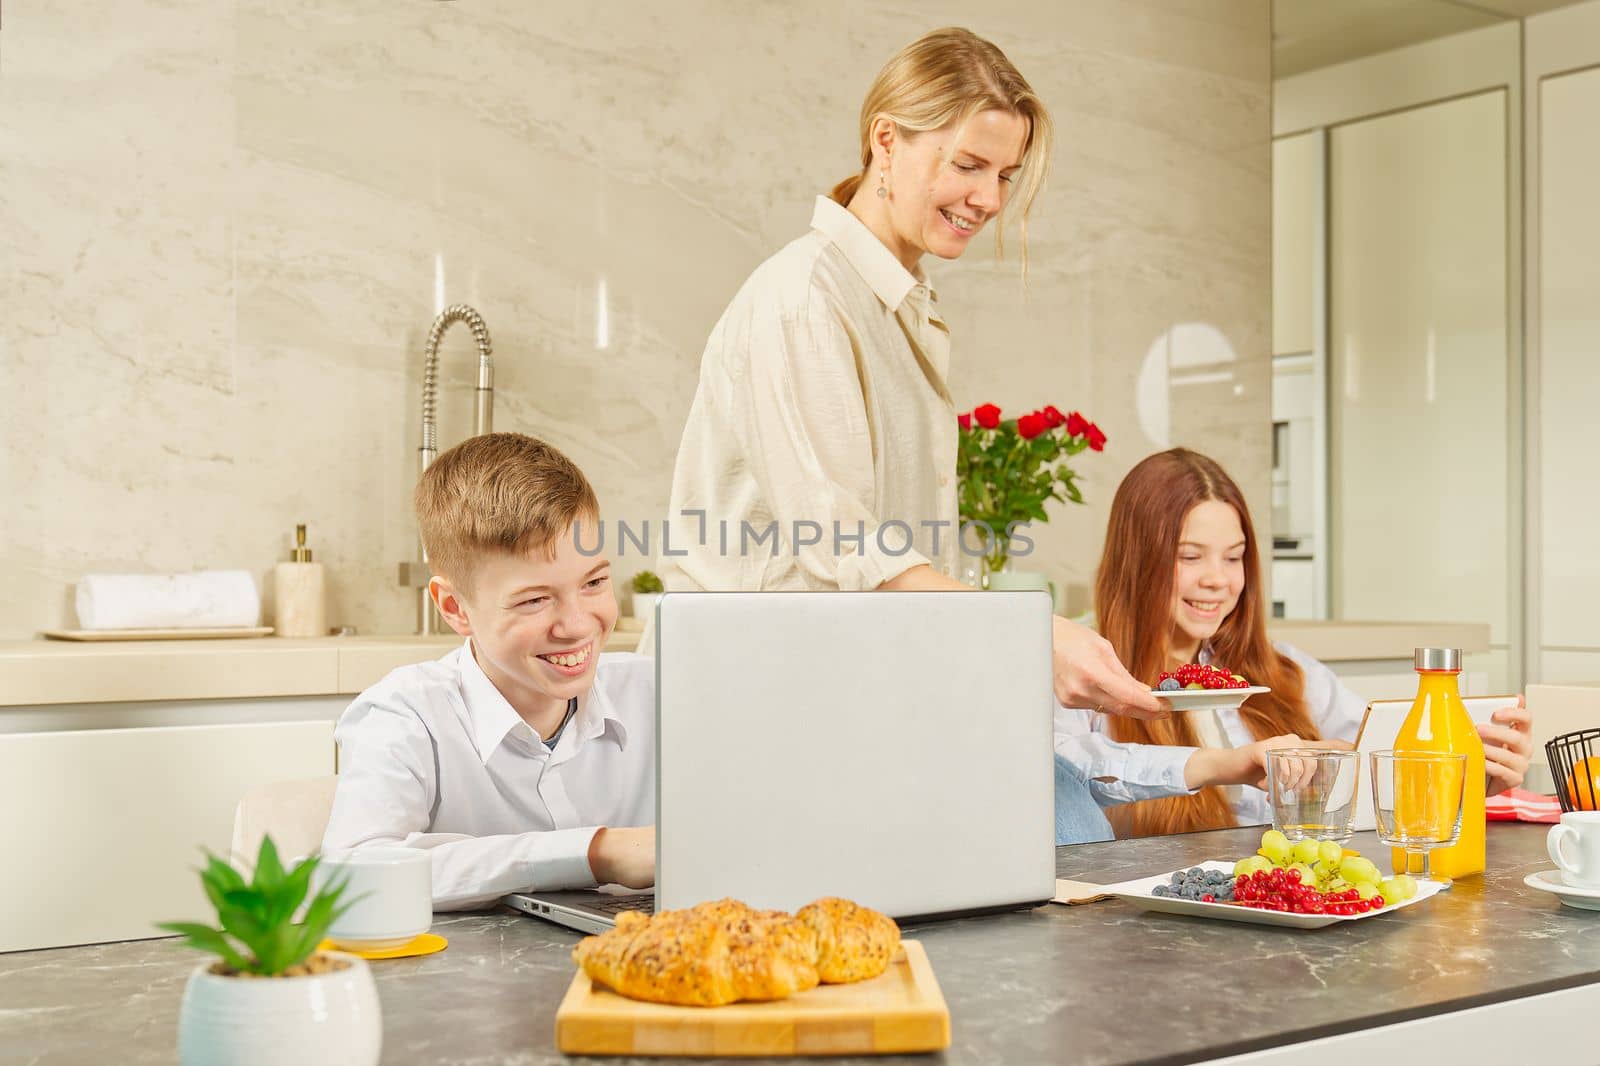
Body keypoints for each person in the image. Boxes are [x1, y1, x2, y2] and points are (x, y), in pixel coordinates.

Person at [653, 26, 1161, 732]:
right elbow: (838, 539)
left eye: (1005, 176)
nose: (987, 198)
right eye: (968, 164)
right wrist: (1028, 630)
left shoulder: (896, 304)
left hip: (840, 688)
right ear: (885, 141)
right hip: (756, 697)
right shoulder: (804, 299)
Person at [1055, 447, 1535, 838]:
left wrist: (1466, 776)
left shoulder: (1285, 670)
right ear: (1136, 562)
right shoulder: (1083, 679)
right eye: (1190, 557)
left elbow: (1373, 754)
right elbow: (1066, 776)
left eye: (1234, 557)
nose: (1217, 581)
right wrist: (1225, 764)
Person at [322, 433, 656, 909]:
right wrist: (598, 852)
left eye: (594, 582)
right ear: (456, 607)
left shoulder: (660, 691)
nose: (578, 625)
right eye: (535, 599)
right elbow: (350, 876)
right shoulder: (406, 714)